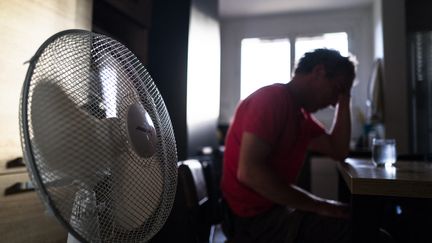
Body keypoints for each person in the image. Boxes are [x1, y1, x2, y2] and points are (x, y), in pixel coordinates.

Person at [221, 48, 356, 243]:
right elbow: (249, 172)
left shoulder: (300, 115)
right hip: (251, 222)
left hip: (270, 212)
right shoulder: (272, 100)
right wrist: (319, 205)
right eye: (337, 90)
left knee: (359, 226)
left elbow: (338, 149)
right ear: (318, 72)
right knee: (363, 233)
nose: (335, 103)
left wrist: (345, 98)